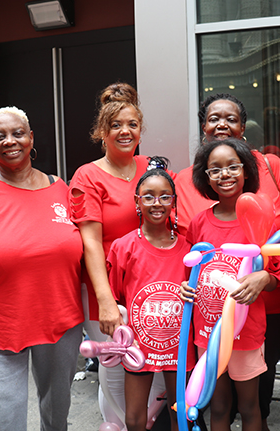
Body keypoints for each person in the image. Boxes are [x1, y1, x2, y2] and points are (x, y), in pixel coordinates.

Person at [0, 106, 84, 431]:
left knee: (57, 414)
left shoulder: (60, 189)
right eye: (0, 136)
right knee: (6, 420)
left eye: (18, 133)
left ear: (31, 138)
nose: (10, 141)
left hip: (60, 320)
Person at [174, 93, 280, 429]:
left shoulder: (260, 219)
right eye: (215, 170)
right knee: (217, 407)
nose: (225, 175)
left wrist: (264, 279)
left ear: (247, 171)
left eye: (233, 167)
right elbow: (191, 273)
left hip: (247, 332)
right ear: (205, 177)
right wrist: (186, 288)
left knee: (250, 407)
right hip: (207, 332)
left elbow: (276, 273)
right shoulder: (199, 222)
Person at [68, 82, 165, 429]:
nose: (125, 132)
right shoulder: (87, 176)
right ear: (102, 132)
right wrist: (106, 301)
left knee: (156, 368)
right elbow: (90, 243)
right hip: (107, 289)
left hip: (150, 284)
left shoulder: (152, 169)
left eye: (132, 125)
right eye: (116, 126)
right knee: (115, 367)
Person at [107, 164, 193, 431]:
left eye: (165, 197)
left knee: (181, 414)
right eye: (149, 197)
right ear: (137, 201)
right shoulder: (123, 247)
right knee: (134, 419)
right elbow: (115, 298)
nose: (157, 203)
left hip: (179, 346)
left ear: (174, 202)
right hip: (139, 345)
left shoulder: (189, 250)